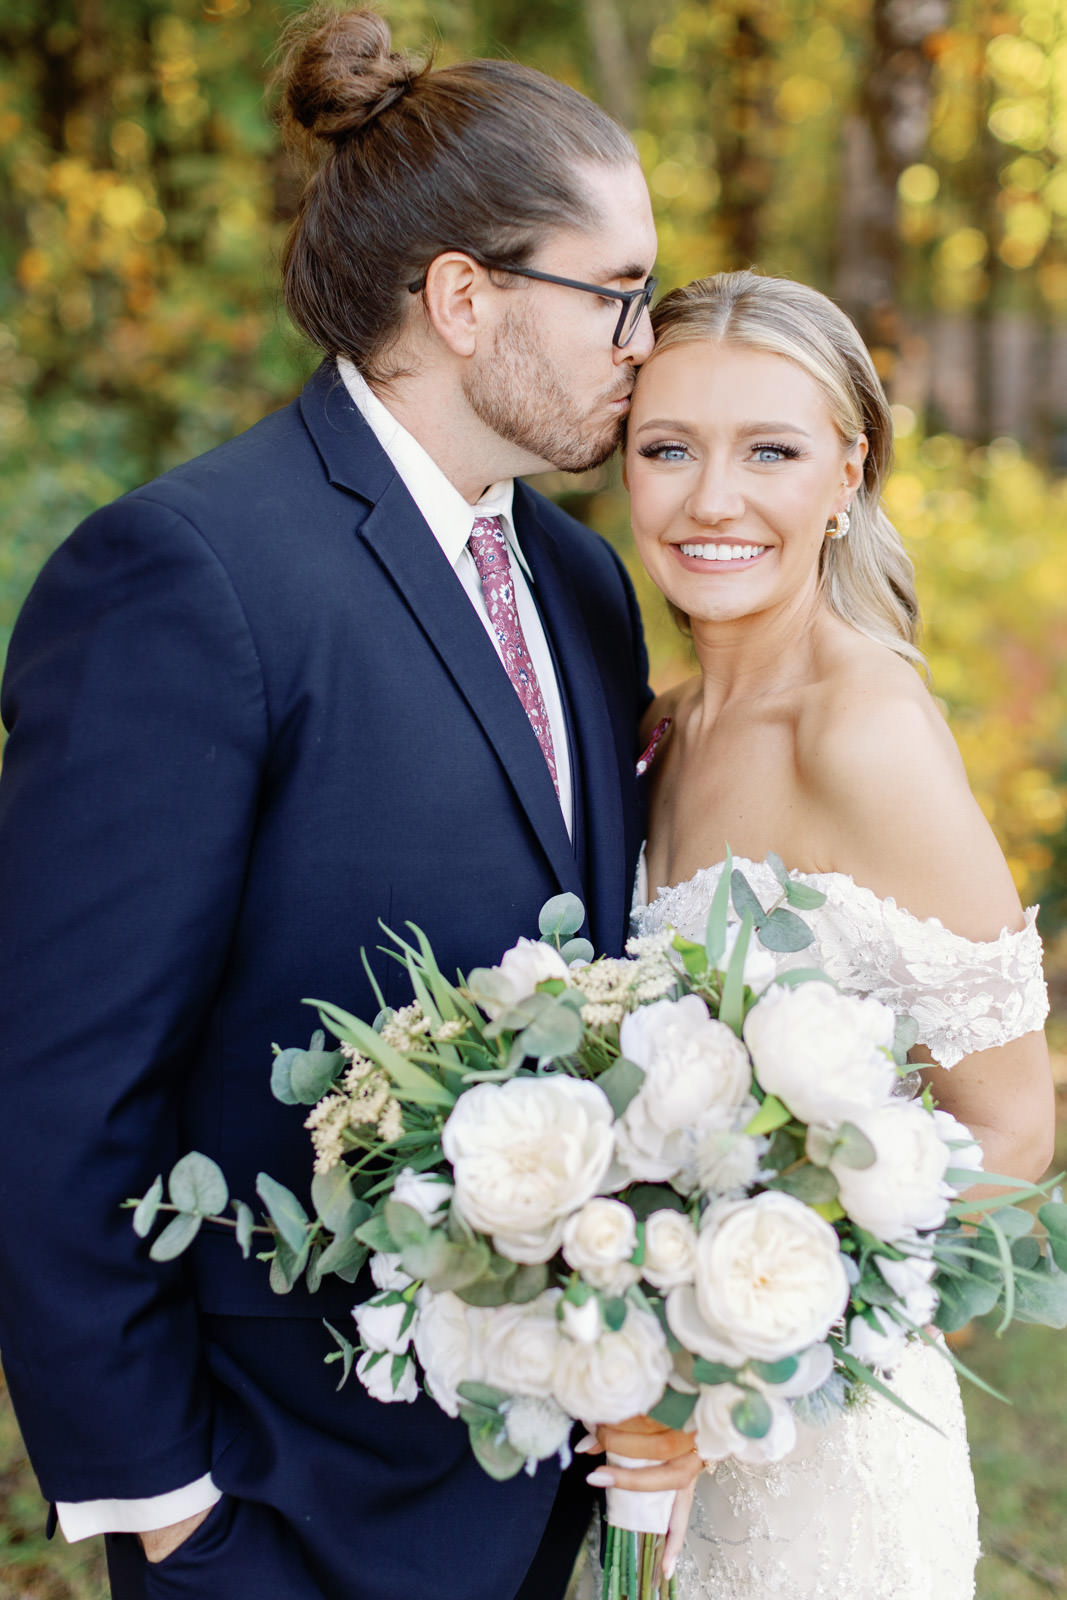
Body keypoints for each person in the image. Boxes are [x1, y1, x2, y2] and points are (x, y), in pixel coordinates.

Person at [0, 8, 670, 1597]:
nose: (646, 342)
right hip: (277, 1508)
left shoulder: (579, 583)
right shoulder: (189, 576)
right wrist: (171, 1511)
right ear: (462, 296)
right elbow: (57, 1091)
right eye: (619, 294)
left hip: (531, 1496)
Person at [578, 268, 1055, 1599]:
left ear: (848, 469)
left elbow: (1013, 1129)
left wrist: (726, 1360)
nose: (710, 500)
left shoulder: (863, 729)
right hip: (650, 1448)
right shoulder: (659, 725)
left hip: (825, 1468)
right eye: (668, 449)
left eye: (770, 452)